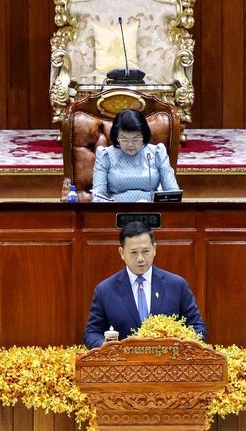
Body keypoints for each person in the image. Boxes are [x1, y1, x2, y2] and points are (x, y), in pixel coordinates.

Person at [83, 221, 206, 349]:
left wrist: (179, 346)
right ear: (121, 253)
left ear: (154, 249)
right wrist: (109, 349)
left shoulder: (177, 285)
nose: (140, 258)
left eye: (145, 251)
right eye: (133, 252)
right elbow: (92, 333)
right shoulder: (105, 290)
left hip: (168, 363)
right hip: (123, 365)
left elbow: (198, 328)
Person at [92, 109, 179, 202]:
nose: (130, 144)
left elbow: (172, 193)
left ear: (144, 136)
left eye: (136, 139)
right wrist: (106, 203)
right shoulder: (105, 155)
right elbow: (98, 195)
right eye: (124, 139)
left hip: (151, 212)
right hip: (116, 212)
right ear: (116, 136)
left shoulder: (157, 153)